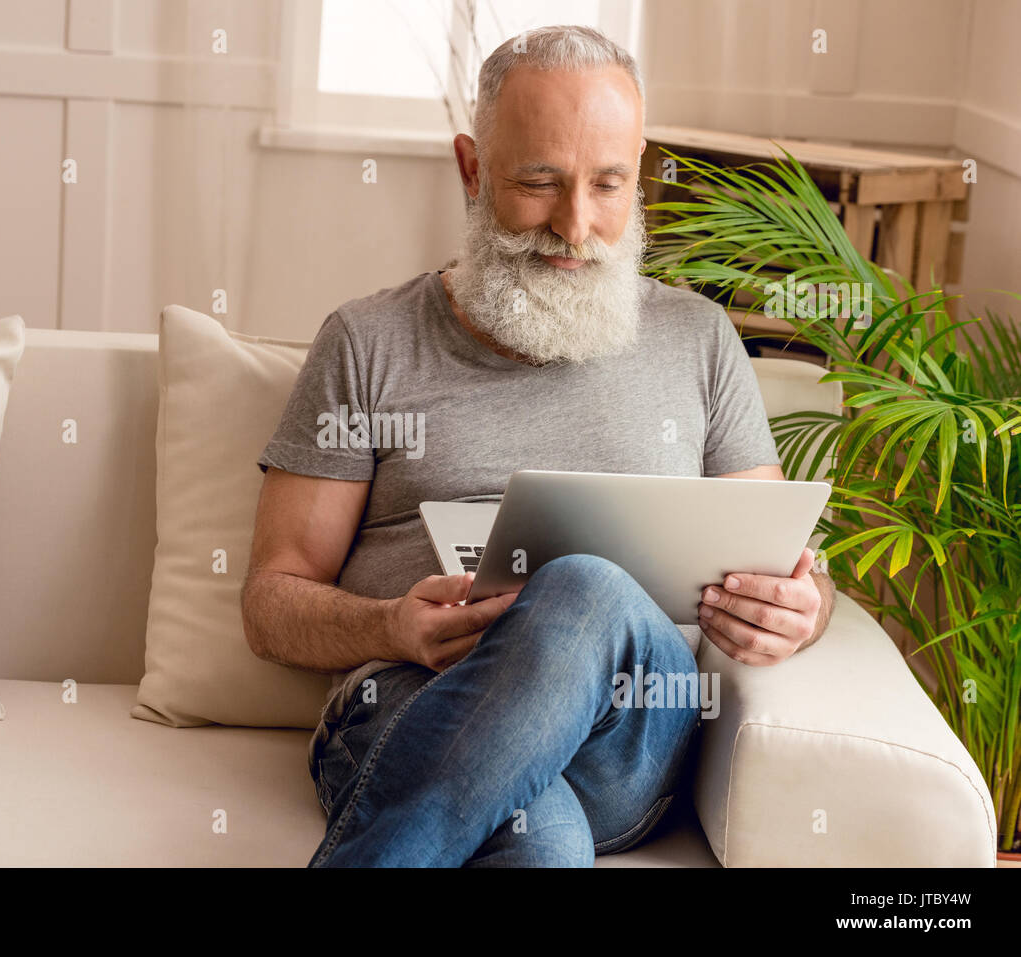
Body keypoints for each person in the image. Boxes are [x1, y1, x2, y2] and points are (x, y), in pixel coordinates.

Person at [241, 24, 834, 868]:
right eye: (540, 183)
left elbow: (793, 564)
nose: (575, 226)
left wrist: (801, 612)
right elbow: (270, 602)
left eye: (607, 185)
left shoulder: (699, 341)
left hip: (625, 739)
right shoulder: (367, 341)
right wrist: (392, 625)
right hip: (410, 709)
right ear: (473, 169)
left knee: (586, 589)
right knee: (541, 843)